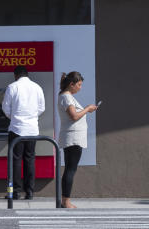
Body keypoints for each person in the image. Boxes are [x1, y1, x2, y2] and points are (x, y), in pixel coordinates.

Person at [2, 65, 45, 200]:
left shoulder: (12, 87)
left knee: (16, 160)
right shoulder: (37, 87)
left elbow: (5, 108)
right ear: (27, 74)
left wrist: (15, 117)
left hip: (16, 129)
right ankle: (30, 192)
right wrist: (31, 117)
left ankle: (15, 192)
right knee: (30, 159)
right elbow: (41, 108)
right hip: (32, 129)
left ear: (16, 75)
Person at [57, 71, 98, 208]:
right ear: (71, 84)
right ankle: (66, 201)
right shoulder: (67, 97)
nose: (80, 88)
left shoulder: (67, 97)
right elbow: (73, 116)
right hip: (73, 137)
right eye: (79, 85)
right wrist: (87, 109)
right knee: (70, 169)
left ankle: (65, 200)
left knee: (70, 168)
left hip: (73, 136)